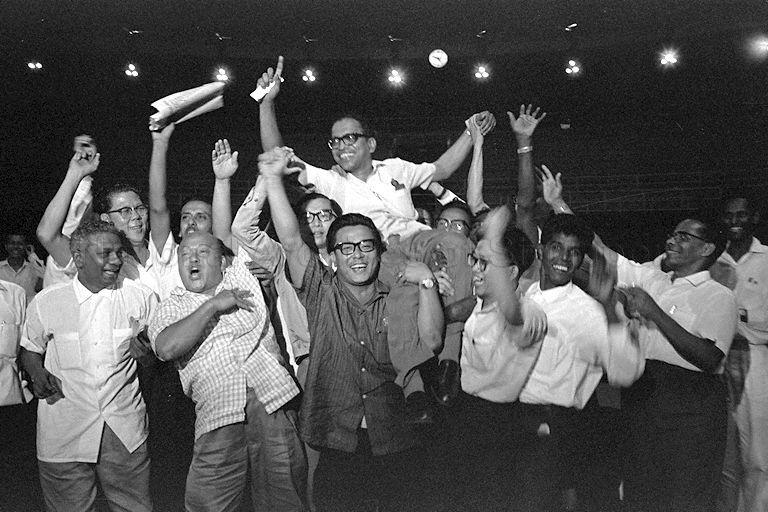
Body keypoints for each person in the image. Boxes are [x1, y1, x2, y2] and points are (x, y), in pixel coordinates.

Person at [260, 147, 444, 511]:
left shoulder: (401, 294)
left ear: (380, 251)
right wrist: (272, 180)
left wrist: (427, 285)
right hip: (337, 440)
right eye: (346, 248)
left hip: (395, 437)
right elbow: (293, 241)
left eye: (365, 246)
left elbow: (434, 341)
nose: (356, 254)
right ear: (333, 255)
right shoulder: (319, 290)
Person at [147, 228, 307, 512]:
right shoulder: (171, 305)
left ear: (223, 262)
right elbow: (166, 348)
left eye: (202, 252)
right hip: (218, 413)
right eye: (184, 254)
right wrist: (212, 306)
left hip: (271, 400)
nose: (191, 259)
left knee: (285, 500)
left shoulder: (239, 276)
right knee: (209, 504)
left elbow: (231, 229)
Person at [594, 215, 737, 512]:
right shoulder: (654, 280)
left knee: (685, 499)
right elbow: (602, 253)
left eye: (683, 237)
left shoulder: (718, 296)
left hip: (689, 414)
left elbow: (710, 358)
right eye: (672, 234)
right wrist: (558, 204)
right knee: (641, 494)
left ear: (707, 248)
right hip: (644, 404)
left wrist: (655, 312)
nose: (671, 241)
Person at [20, 220, 158, 512]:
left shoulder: (141, 298)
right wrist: (37, 373)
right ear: (79, 258)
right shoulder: (48, 301)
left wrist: (146, 355)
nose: (116, 260)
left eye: (119, 252)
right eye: (106, 253)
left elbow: (159, 360)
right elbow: (30, 350)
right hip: (64, 431)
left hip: (123, 431)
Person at [716, 195, 768, 512]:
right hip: (715, 361)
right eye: (729, 215)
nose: (735, 220)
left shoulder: (766, 259)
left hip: (756, 361)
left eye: (742, 215)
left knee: (758, 454)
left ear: (754, 218)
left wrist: (739, 320)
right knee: (723, 453)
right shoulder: (710, 260)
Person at [0, 232, 44, 302]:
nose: (16, 247)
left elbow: (47, 279)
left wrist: (32, 256)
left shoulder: (34, 268)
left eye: (20, 243)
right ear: (6, 246)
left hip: (28, 311)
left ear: (25, 247)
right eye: (12, 243)